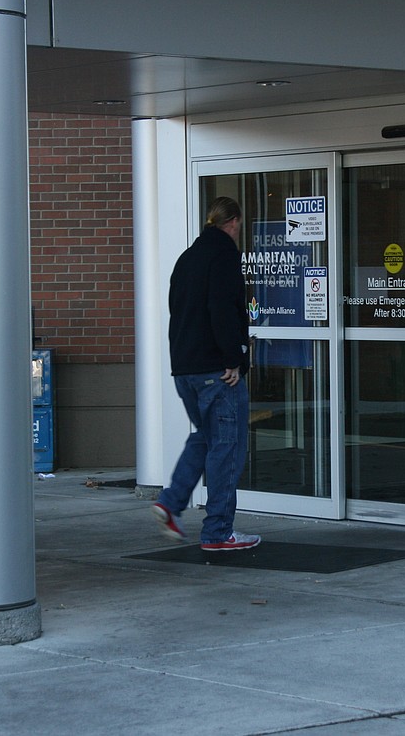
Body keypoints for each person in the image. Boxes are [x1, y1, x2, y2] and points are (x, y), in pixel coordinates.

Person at [151, 196, 261, 551]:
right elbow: (222, 308)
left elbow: (179, 311)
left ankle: (171, 502)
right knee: (227, 449)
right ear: (234, 222)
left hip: (186, 369)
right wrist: (235, 357)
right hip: (217, 371)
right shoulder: (224, 254)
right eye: (239, 224)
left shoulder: (187, 258)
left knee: (207, 437)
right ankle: (218, 532)